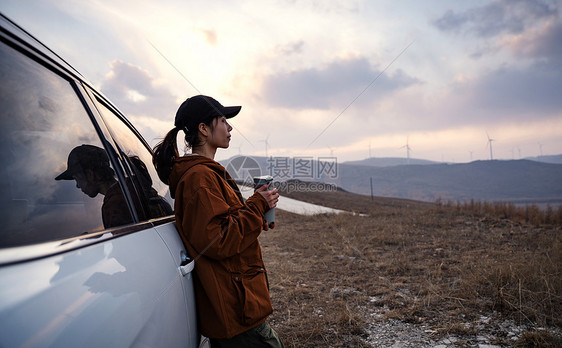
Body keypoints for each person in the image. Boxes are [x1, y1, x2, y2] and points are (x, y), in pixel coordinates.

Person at [152, 95, 283, 347]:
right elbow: (218, 240)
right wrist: (257, 205)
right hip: (235, 311)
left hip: (237, 304)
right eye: (223, 120)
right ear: (203, 128)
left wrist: (255, 214)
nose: (230, 127)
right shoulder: (199, 178)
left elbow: (221, 225)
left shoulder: (204, 173)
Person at [55, 144, 133, 228]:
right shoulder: (130, 192)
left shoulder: (114, 207)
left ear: (90, 174)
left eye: (77, 179)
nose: (77, 185)